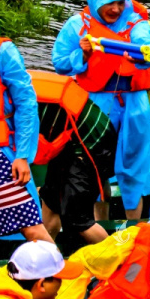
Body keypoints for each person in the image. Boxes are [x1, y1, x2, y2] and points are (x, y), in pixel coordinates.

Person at [52, 0, 150, 220]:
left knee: (134, 164)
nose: (115, 9)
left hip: (134, 103)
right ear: (96, 2)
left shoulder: (136, 23)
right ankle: (100, 223)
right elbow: (59, 63)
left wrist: (142, 54)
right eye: (108, 3)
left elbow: (149, 48)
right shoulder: (78, 25)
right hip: (96, 102)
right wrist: (83, 56)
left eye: (120, 2)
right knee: (95, 164)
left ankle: (133, 225)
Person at [0, 0, 52, 257]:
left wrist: (22, 156)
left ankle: (60, 281)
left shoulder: (2, 51)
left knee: (32, 229)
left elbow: (26, 105)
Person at [36, 72, 117, 245]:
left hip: (91, 143)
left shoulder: (7, 99)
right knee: (51, 200)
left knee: (76, 218)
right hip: (70, 139)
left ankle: (117, 263)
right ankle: (48, 258)